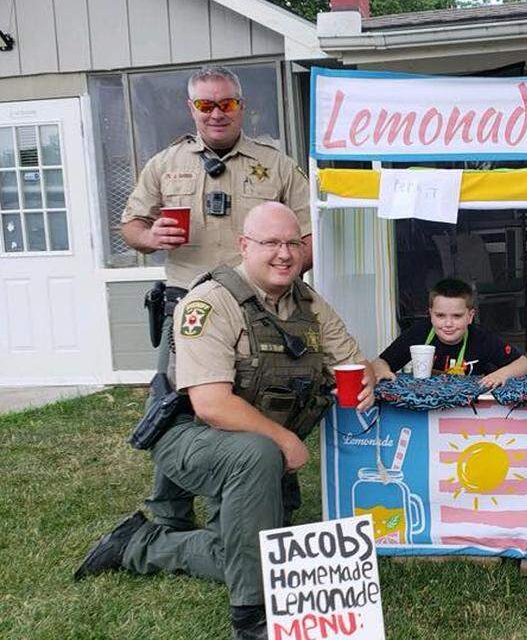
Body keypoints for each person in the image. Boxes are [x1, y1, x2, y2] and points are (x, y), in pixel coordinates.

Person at [74, 203, 374, 640]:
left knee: (261, 554)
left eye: (293, 243)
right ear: (244, 246)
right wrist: (285, 440)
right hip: (192, 437)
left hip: (255, 452)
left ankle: (137, 544)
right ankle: (251, 615)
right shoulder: (210, 303)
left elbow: (350, 360)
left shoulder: (308, 303)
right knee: (257, 457)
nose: (285, 254)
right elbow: (212, 404)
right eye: (271, 243)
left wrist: (366, 377)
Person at [120, 65, 313, 531]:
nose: (216, 113)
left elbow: (310, 236)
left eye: (226, 103)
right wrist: (151, 237)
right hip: (188, 301)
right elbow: (131, 226)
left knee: (267, 395)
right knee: (175, 404)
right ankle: (169, 512)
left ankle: (265, 497)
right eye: (206, 105)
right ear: (192, 109)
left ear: (241, 106)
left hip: (260, 307)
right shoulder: (165, 164)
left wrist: (283, 271)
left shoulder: (278, 165)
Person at [373, 278, 527, 389]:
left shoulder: (482, 338)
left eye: (457, 316)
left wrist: (501, 375)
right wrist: (382, 372)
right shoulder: (418, 333)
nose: (448, 324)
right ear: (430, 314)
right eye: (440, 316)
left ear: (470, 316)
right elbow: (380, 362)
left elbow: (526, 365)